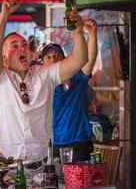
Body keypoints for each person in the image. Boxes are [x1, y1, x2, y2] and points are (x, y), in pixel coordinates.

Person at [0, 0, 88, 160]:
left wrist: (77, 32)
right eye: (15, 46)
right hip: (6, 169)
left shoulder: (44, 73)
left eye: (24, 44)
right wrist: (4, 15)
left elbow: (79, 60)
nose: (22, 47)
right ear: (4, 59)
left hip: (42, 166)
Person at [41, 19, 98, 161]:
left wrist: (91, 35)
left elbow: (89, 60)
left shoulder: (77, 78)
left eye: (56, 56)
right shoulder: (39, 85)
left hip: (78, 144)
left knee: (78, 183)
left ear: (65, 60)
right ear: (43, 62)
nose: (53, 59)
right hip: (49, 146)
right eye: (48, 57)